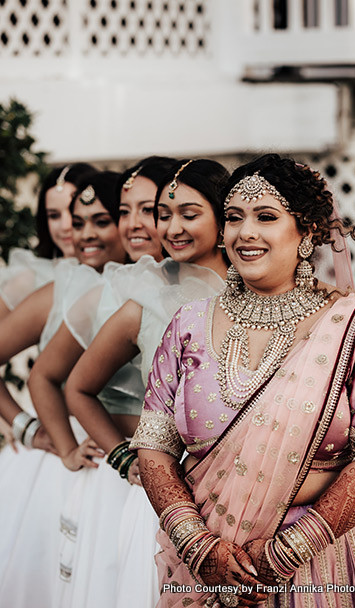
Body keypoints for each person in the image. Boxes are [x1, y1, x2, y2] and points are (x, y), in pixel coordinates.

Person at [131, 153, 355, 608]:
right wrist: (196, 543)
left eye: (267, 217)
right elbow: (153, 445)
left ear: (306, 233)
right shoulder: (189, 323)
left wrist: (285, 553)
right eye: (235, 218)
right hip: (209, 571)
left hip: (322, 568)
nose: (246, 233)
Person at [64, 158, 229, 608]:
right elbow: (78, 387)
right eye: (164, 214)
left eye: (188, 215)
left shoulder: (258, 291)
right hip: (166, 498)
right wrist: (124, 458)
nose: (171, 228)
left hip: (244, 493)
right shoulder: (148, 296)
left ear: (222, 215)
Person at [27, 156, 176, 608]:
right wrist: (59, 442)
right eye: (125, 211)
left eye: (147, 211)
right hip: (123, 472)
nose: (134, 224)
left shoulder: (212, 287)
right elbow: (55, 380)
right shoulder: (114, 293)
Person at [0, 170, 127, 608]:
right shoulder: (59, 288)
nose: (75, 230)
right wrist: (26, 428)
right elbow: (45, 377)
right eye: (71, 219)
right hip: (67, 452)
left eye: (102, 218)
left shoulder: (150, 286)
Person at [0, 163, 96, 446]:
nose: (66, 225)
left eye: (74, 211)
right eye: (54, 215)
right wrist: (24, 427)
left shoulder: (127, 277)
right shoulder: (31, 280)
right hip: (66, 437)